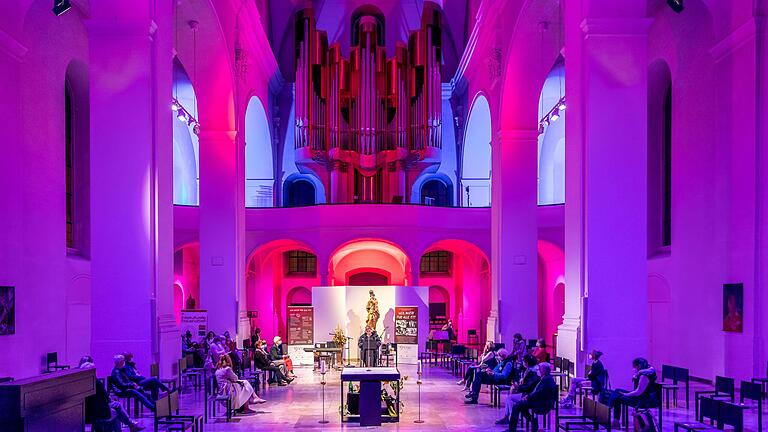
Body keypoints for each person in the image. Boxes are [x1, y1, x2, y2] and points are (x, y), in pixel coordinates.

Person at [80, 356, 145, 432]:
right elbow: (105, 399)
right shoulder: (96, 383)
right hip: (97, 412)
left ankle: (131, 424)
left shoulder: (81, 383)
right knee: (116, 410)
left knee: (116, 407)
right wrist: (110, 400)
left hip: (86, 411)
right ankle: (131, 424)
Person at [601, 357, 658, 427]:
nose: (635, 369)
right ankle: (609, 410)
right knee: (617, 391)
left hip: (641, 400)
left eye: (635, 367)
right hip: (639, 397)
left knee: (617, 398)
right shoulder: (647, 371)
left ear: (639, 366)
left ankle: (610, 412)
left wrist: (626, 394)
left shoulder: (644, 376)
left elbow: (638, 392)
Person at [509, 362, 559, 432]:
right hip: (539, 400)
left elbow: (539, 393)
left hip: (542, 403)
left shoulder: (547, 380)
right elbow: (537, 392)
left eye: (539, 369)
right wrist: (528, 396)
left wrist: (528, 397)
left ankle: (512, 429)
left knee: (517, 406)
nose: (538, 370)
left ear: (544, 370)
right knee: (520, 405)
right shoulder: (545, 378)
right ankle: (532, 421)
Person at [497, 354, 541, 425]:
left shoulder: (534, 372)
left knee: (510, 398)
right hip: (527, 392)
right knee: (510, 396)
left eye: (524, 361)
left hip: (529, 394)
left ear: (527, 362)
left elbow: (529, 387)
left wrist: (518, 387)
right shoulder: (529, 369)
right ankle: (508, 417)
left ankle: (512, 419)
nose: (522, 362)